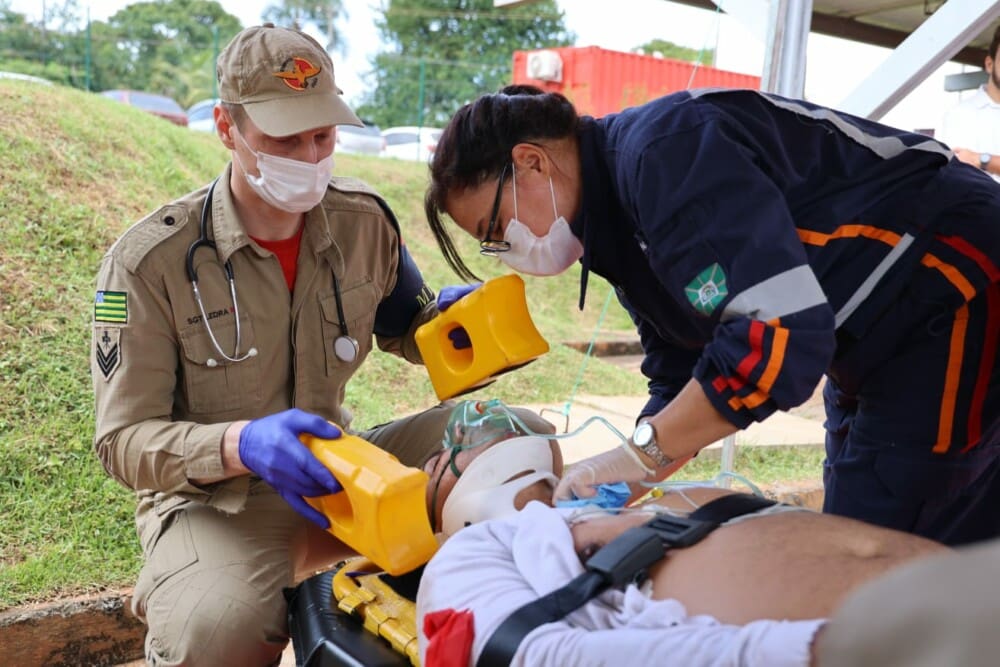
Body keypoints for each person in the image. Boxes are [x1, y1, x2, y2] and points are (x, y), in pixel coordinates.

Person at [89, 25, 552, 667]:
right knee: (215, 628)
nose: (309, 157)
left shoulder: (364, 224)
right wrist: (239, 443)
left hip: (338, 471)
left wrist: (458, 326)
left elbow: (410, 329)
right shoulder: (151, 265)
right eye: (285, 138)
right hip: (219, 500)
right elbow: (122, 443)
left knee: (511, 439)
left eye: (323, 135)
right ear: (228, 127)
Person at [423, 84, 1000, 546]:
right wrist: (617, 483)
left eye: (496, 229)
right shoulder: (611, 227)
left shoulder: (664, 155)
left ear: (531, 163)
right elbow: (681, 374)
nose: (509, 250)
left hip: (950, 279)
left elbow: (774, 337)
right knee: (858, 516)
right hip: (867, 332)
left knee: (880, 536)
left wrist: (635, 458)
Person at [416, 458, 947, 667]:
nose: (478, 426)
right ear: (458, 505)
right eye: (448, 457)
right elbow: (539, 659)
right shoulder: (466, 555)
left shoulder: (630, 500)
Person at [938, 24, 1000, 183]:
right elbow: (958, 170)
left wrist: (982, 160)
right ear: (989, 64)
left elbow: (971, 161)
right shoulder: (960, 114)